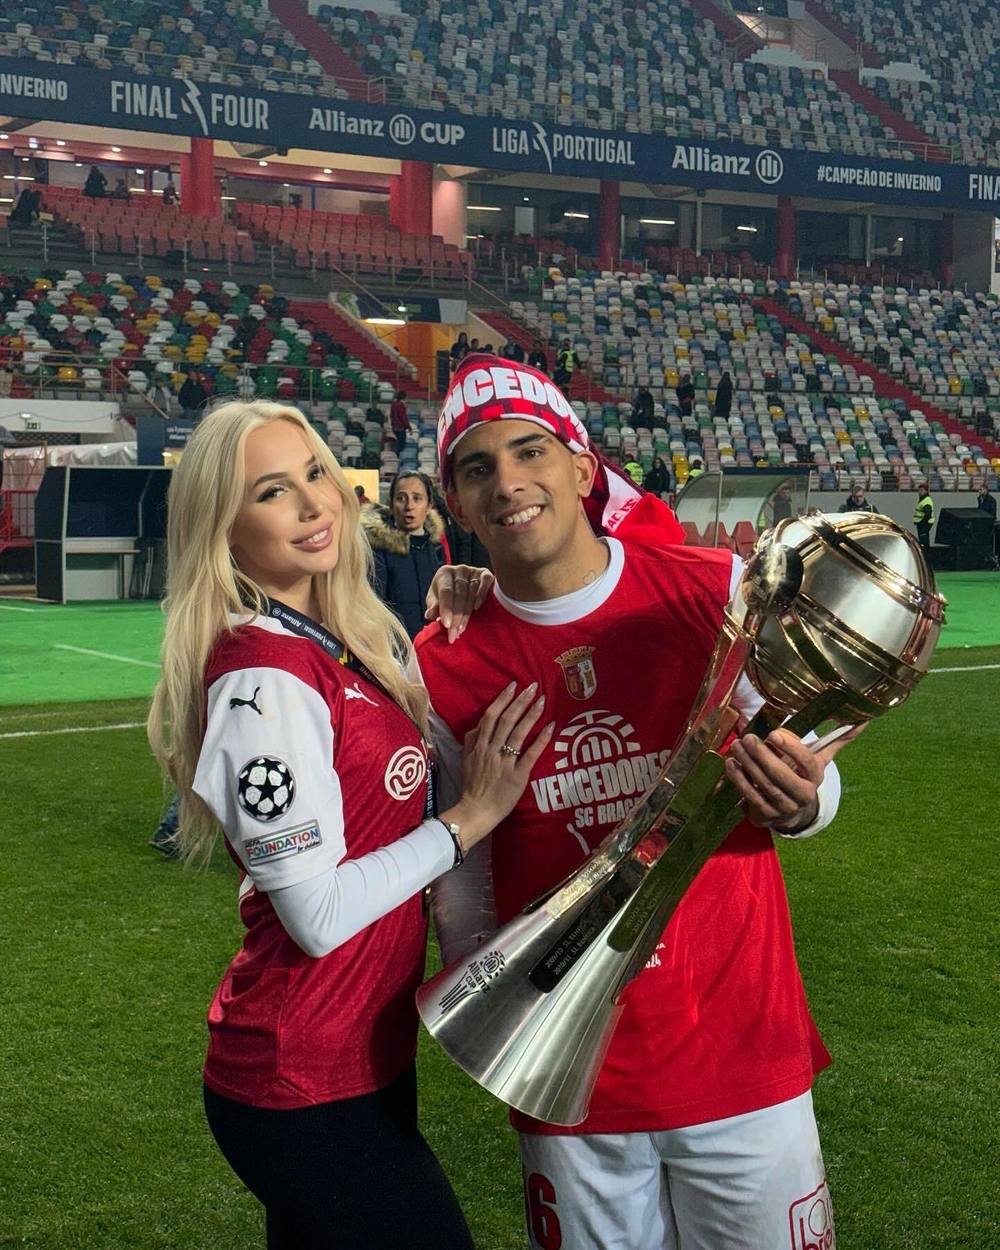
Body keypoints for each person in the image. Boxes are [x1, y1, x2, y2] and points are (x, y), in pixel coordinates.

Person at [414, 355, 853, 1250]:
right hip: (568, 1071)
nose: (508, 483)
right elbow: (463, 871)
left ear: (582, 468)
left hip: (742, 1049)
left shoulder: (715, 591)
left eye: (530, 452)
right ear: (456, 504)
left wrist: (805, 802)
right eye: (477, 469)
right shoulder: (443, 660)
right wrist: (497, 1011)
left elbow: (810, 767)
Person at [147, 400, 552, 1249]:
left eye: (315, 474)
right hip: (300, 1074)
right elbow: (318, 916)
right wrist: (469, 819)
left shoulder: (334, 638)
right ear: (221, 528)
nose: (312, 504)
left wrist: (470, 594)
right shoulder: (263, 677)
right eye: (271, 492)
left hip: (358, 1057)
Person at [362, 471, 449, 639]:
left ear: (429, 505)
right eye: (401, 498)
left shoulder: (436, 548)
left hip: (431, 643)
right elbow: (373, 608)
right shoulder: (377, 550)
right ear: (391, 504)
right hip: (395, 646)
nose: (409, 506)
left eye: (417, 498)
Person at [389, 390, 411, 455]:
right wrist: (408, 427)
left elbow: (391, 416)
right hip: (400, 428)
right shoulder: (401, 405)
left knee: (398, 443)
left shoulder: (393, 405)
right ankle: (398, 456)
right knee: (401, 445)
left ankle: (396, 455)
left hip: (395, 427)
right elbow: (403, 417)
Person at [913, 483, 935, 550]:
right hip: (922, 523)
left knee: (924, 541)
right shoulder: (923, 500)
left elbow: (928, 514)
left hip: (924, 524)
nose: (919, 492)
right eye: (919, 490)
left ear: (926, 491)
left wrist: (922, 523)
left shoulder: (926, 501)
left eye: (922, 490)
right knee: (923, 539)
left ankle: (925, 553)